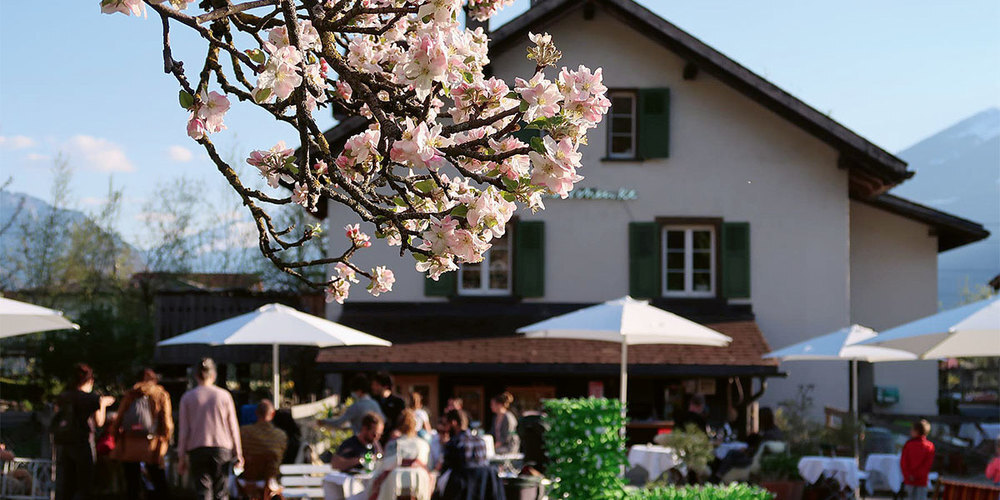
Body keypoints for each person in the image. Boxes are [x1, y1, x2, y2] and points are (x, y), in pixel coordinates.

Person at [177, 358, 243, 500]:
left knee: (203, 491)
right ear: (214, 376)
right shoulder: (224, 396)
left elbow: (183, 430)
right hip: (221, 449)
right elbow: (233, 426)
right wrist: (238, 452)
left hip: (197, 448)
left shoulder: (187, 398)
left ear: (196, 376)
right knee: (221, 492)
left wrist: (181, 456)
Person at [53, 363, 115, 500]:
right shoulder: (92, 399)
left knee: (66, 484)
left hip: (64, 443)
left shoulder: (63, 396)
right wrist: (103, 404)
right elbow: (99, 422)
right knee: (84, 484)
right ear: (90, 380)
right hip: (83, 444)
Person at [110, 368, 173, 500]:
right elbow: (166, 421)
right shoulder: (160, 394)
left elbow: (119, 418)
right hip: (152, 444)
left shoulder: (130, 394)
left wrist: (116, 437)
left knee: (132, 485)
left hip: (130, 444)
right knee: (159, 482)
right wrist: (166, 438)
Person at [368, 409, 432, 500]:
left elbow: (386, 464)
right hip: (419, 480)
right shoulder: (423, 443)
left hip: (395, 480)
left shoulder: (394, 443)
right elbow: (428, 464)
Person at [319, 374, 384, 436]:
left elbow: (338, 422)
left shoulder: (356, 406)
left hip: (360, 440)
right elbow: (383, 420)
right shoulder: (375, 404)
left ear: (359, 391)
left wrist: (323, 421)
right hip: (374, 441)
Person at [239, 400, 288, 482]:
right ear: (272, 414)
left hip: (248, 481)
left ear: (256, 413)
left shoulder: (243, 432)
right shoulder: (280, 435)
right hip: (270, 481)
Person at [441, 409, 488, 473]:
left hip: (461, 481)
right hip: (480, 481)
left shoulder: (453, 444)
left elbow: (446, 470)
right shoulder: (481, 441)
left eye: (446, 424)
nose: (445, 429)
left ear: (453, 423)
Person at [900, 419, 935, 500]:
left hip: (910, 479)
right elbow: (927, 465)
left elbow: (903, 462)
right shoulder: (929, 446)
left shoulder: (909, 445)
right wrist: (917, 475)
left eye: (912, 429)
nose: (910, 431)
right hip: (921, 479)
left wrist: (909, 475)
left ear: (917, 431)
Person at [372, 371, 406, 442]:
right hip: (377, 439)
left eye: (376, 385)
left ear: (385, 386)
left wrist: (398, 430)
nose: (373, 387)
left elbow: (403, 419)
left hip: (393, 439)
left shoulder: (398, 402)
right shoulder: (373, 401)